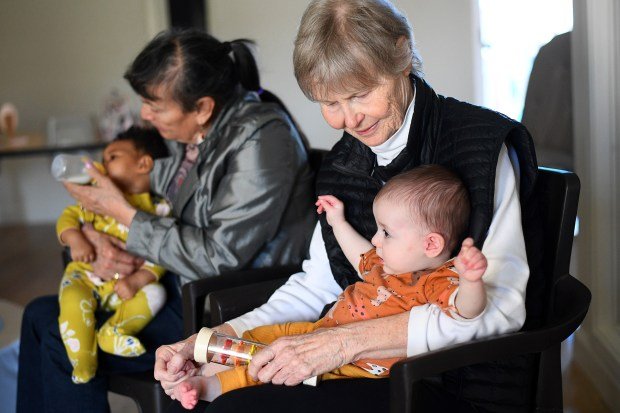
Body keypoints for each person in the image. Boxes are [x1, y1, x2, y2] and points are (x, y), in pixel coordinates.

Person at [155, 1, 543, 411]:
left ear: (402, 55)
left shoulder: (480, 145)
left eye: (360, 94)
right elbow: (318, 285)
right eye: (329, 103)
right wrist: (209, 343)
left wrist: (341, 342)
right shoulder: (342, 165)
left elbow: (500, 309)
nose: (349, 120)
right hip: (354, 362)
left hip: (451, 380)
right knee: (217, 392)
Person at [17, 28, 315, 413]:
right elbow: (141, 185)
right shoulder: (198, 133)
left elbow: (218, 258)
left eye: (155, 106)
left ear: (203, 107)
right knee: (39, 314)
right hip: (176, 281)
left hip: (225, 303)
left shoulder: (262, 140)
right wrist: (90, 231)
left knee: (58, 334)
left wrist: (123, 214)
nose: (144, 114)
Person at [171, 165, 488, 409]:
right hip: (318, 331)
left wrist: (472, 281)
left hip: (353, 366)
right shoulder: (388, 264)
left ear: (431, 244)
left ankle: (210, 389)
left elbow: (465, 310)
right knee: (261, 338)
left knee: (273, 368)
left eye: (386, 233)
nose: (376, 240)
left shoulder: (437, 281)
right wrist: (338, 223)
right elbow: (358, 253)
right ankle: (205, 367)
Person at [57, 127, 170, 384]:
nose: (103, 165)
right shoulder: (94, 199)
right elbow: (68, 217)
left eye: (113, 157)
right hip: (86, 276)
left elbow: (162, 253)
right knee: (72, 300)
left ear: (143, 164)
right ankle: (83, 361)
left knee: (156, 293)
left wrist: (138, 279)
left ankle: (115, 331)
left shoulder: (159, 209)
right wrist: (75, 239)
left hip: (125, 287)